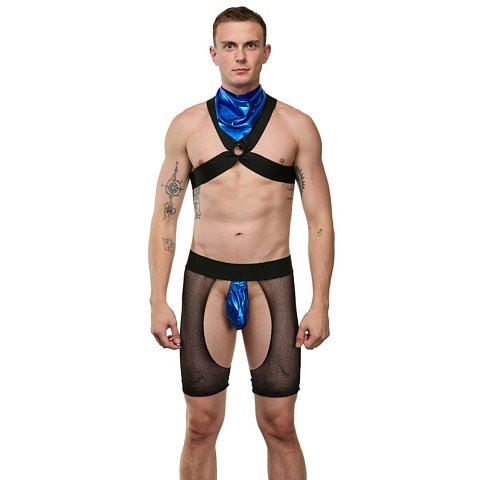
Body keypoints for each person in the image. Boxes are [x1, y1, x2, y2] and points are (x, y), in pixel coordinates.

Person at [148, 6, 334, 479]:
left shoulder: (297, 126)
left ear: (266, 52)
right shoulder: (187, 126)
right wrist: (157, 299)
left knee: (280, 425)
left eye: (250, 45)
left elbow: (319, 221)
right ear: (213, 53)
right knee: (200, 424)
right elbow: (165, 220)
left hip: (271, 282)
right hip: (205, 281)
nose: (240, 56)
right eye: (229, 46)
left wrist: (320, 303)